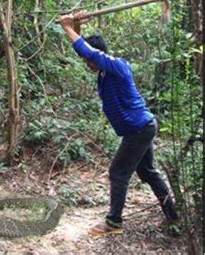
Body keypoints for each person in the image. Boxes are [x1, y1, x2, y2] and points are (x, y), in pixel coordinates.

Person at [59, 12, 179, 236]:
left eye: (89, 61)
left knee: (118, 172)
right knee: (148, 172)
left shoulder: (116, 65)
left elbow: (87, 51)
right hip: (141, 127)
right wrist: (76, 25)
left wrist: (66, 27)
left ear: (97, 57)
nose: (87, 64)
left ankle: (113, 222)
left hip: (139, 129)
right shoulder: (104, 71)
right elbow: (84, 50)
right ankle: (173, 216)